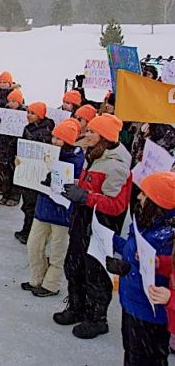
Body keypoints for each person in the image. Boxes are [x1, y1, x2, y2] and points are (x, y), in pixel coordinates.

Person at [57, 113, 132, 339]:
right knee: (74, 265)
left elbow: (116, 205)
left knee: (96, 273)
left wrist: (84, 197)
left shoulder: (116, 166)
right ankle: (76, 307)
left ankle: (96, 318)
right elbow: (88, 185)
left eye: (91, 131)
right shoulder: (96, 154)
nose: (86, 133)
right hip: (83, 221)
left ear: (105, 137)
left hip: (101, 226)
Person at [106, 172, 175, 366]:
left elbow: (154, 272)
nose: (138, 197)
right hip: (131, 304)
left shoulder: (166, 238)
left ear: (157, 202)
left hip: (149, 315)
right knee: (131, 352)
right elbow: (133, 250)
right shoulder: (146, 223)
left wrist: (128, 269)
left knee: (146, 359)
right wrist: (109, 239)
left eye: (144, 194)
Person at [23, 119, 84, 297]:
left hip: (62, 212)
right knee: (34, 245)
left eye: (59, 138)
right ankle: (37, 278)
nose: (55, 141)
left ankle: (52, 284)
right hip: (43, 207)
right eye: (54, 137)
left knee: (58, 251)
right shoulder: (48, 153)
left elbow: (70, 183)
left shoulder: (76, 159)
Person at [14, 101, 56, 244]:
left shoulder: (45, 132)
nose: (29, 116)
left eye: (32, 113)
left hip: (37, 172)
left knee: (31, 204)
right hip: (27, 169)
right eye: (28, 113)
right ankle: (26, 229)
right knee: (27, 204)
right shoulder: (29, 128)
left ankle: (29, 232)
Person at [0, 89, 25, 206]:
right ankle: (5, 194)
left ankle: (15, 196)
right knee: (5, 173)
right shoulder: (4, 112)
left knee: (16, 173)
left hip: (16, 147)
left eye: (14, 101)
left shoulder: (24, 114)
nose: (11, 104)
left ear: (20, 102)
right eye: (10, 101)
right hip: (4, 146)